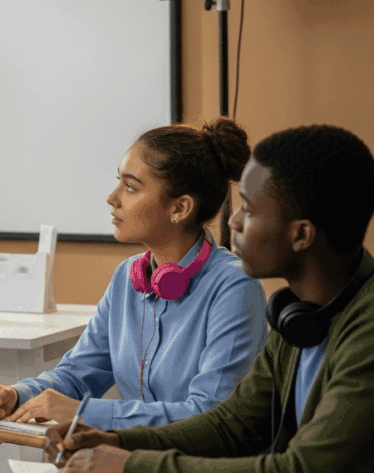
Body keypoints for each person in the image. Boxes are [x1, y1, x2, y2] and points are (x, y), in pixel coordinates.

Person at [44, 124, 374, 473]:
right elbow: (231, 424)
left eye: (248, 208)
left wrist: (132, 465)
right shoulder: (299, 318)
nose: (233, 221)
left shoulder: (365, 332)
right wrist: (118, 441)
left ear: (301, 234)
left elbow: (302, 467)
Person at [0, 119, 267, 429]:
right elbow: (78, 374)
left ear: (180, 208)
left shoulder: (235, 287)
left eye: (130, 187)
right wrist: (18, 395)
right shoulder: (128, 276)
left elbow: (210, 413)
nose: (112, 198)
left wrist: (84, 413)